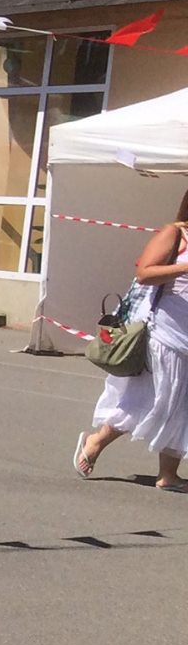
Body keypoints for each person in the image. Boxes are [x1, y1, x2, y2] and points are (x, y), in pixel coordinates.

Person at [100, 189, 188, 491]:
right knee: (155, 399)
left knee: (181, 404)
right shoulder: (174, 234)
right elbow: (144, 273)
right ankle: (96, 441)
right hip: (166, 331)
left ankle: (168, 475)